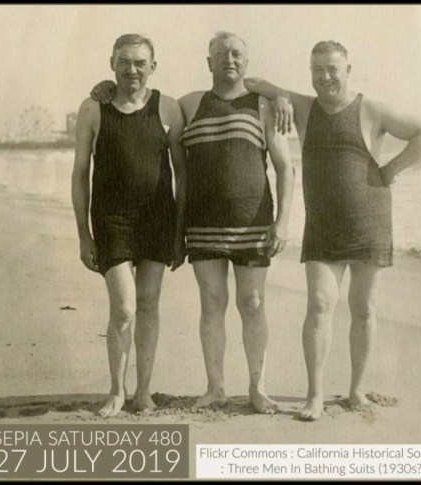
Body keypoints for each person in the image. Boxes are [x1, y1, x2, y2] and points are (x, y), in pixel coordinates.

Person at [90, 32, 295, 413]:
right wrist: (104, 87)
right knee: (212, 304)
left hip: (253, 223)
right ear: (209, 63)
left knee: (251, 302)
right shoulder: (187, 105)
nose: (229, 60)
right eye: (221, 54)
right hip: (202, 225)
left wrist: (282, 223)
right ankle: (215, 388)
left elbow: (286, 169)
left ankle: (257, 387)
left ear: (246, 64)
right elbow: (143, 109)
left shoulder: (265, 107)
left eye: (237, 54)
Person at [244, 40, 421, 421]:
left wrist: (391, 170)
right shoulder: (304, 107)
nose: (324, 77)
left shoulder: (371, 109)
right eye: (316, 69)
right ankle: (315, 396)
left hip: (369, 223)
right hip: (322, 227)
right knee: (319, 305)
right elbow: (254, 82)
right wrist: (280, 96)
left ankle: (356, 389)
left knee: (363, 308)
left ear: (348, 69)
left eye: (332, 69)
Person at [72, 34, 187, 417]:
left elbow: (182, 177)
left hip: (157, 218)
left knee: (150, 304)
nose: (132, 69)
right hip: (111, 220)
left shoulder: (168, 108)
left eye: (140, 62)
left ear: (153, 66)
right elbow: (79, 175)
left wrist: (179, 232)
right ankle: (116, 391)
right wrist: (83, 235)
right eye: (124, 61)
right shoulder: (93, 108)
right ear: (112, 63)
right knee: (124, 308)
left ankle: (143, 392)